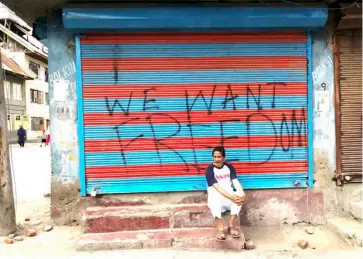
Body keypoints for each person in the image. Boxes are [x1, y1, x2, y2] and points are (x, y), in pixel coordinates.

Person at [205, 146, 246, 241]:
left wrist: (243, 193)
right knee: (214, 203)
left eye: (219, 157)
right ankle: (220, 228)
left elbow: (235, 181)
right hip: (216, 196)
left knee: (239, 196)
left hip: (228, 195)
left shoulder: (229, 167)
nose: (216, 159)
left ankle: (231, 225)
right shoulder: (209, 170)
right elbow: (217, 187)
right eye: (214, 157)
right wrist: (232, 197)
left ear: (224, 157)